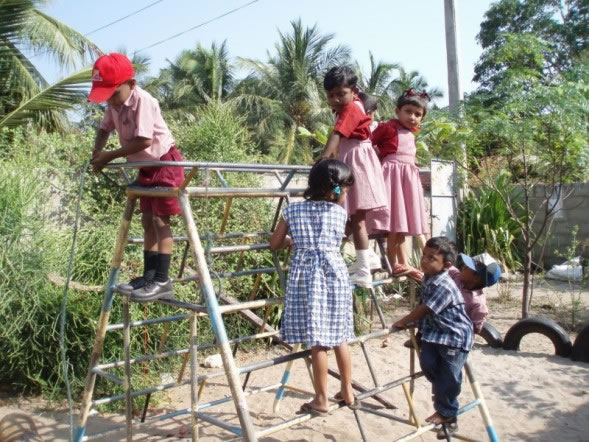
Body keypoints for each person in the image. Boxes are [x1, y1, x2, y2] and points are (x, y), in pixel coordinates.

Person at [89, 53, 184, 303]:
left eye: (114, 93)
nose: (111, 100)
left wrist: (109, 156)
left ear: (131, 83)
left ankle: (162, 280)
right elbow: (103, 129)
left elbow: (144, 140)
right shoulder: (114, 105)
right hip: (145, 167)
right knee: (147, 220)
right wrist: (96, 154)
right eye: (106, 96)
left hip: (164, 162)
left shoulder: (144, 100)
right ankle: (149, 276)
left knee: (161, 222)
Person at [270, 159, 359, 415]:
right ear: (335, 190)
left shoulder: (292, 210)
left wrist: (291, 241)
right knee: (340, 336)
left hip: (308, 277)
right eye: (346, 190)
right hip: (335, 274)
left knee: (318, 340)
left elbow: (274, 244)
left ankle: (321, 399)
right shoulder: (340, 214)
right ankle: (347, 389)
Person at [393, 237, 473, 438]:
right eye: (424, 255)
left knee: (450, 376)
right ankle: (442, 392)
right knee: (427, 363)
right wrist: (410, 270)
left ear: (446, 265)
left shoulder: (444, 285)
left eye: (431, 258)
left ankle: (447, 412)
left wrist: (404, 321)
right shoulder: (430, 276)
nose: (424, 261)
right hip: (435, 334)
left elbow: (425, 308)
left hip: (454, 337)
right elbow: (423, 284)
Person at [321, 66, 389, 288]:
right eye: (331, 95)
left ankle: (362, 270)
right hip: (353, 161)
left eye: (341, 93)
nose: (336, 99)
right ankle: (365, 255)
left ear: (354, 91)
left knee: (356, 217)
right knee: (349, 215)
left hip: (356, 163)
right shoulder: (350, 107)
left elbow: (337, 136)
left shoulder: (352, 109)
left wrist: (321, 162)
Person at [371, 89, 430, 281]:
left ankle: (402, 263)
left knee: (404, 221)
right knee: (396, 220)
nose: (412, 117)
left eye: (418, 114)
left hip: (408, 177)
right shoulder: (387, 127)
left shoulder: (412, 134)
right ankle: (391, 262)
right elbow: (370, 145)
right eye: (408, 111)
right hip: (393, 176)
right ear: (398, 111)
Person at [449, 252, 502, 333]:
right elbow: (443, 265)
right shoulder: (457, 277)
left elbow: (477, 328)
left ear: (476, 278)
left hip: (457, 340)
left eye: (467, 266)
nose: (463, 267)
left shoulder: (478, 304)